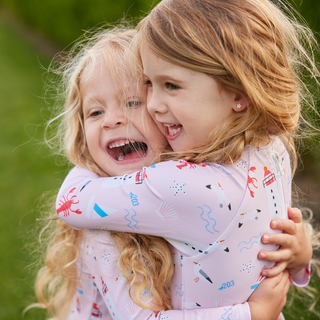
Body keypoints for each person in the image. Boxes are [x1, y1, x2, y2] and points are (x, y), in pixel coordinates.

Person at [56, 0, 320, 318]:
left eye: (170, 86)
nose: (154, 104)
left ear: (239, 93)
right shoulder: (273, 148)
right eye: (150, 86)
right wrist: (297, 260)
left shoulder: (177, 182)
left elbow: (71, 201)